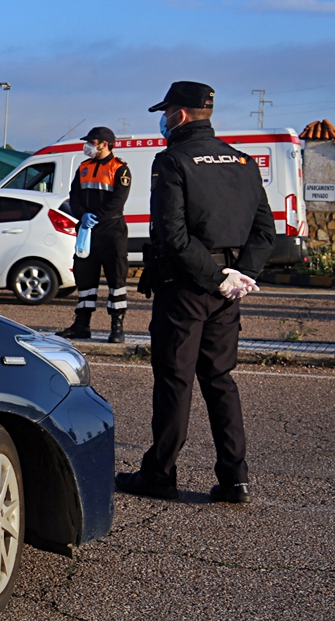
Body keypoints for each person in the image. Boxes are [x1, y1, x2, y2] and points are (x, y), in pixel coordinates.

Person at [116, 81, 275, 504]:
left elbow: (172, 235)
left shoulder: (172, 160)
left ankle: (160, 474)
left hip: (187, 286)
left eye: (166, 113)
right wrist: (239, 276)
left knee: (175, 379)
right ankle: (235, 478)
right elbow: (264, 232)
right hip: (227, 292)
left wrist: (215, 276)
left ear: (180, 115)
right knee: (220, 379)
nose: (164, 121)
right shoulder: (243, 162)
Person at [56, 126, 132, 343]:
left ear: (104, 144)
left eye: (92, 142)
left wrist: (97, 216)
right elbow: (74, 195)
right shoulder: (83, 167)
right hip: (87, 232)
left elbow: (118, 201)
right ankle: (82, 325)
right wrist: (82, 214)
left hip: (111, 231)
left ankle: (117, 327)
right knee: (85, 277)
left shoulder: (120, 169)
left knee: (116, 278)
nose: (88, 146)